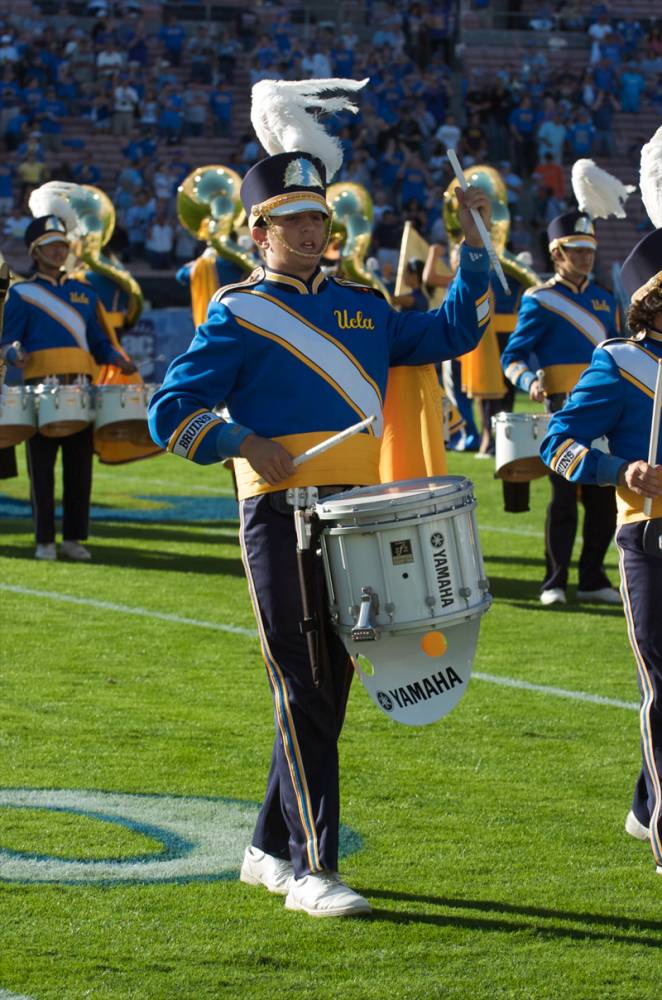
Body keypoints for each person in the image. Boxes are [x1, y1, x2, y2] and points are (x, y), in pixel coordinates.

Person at [148, 84, 492, 918]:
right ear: (258, 230)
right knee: (303, 681)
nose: (311, 232)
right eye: (293, 221)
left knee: (330, 682)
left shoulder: (364, 308)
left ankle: (268, 846)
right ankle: (311, 866)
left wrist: (472, 241)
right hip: (280, 512)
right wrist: (238, 443)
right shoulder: (238, 313)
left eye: (318, 221)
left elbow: (454, 330)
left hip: (357, 519)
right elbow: (169, 411)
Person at [540, 227, 662, 876]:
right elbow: (559, 446)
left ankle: (647, 805)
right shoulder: (620, 362)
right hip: (652, 536)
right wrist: (622, 471)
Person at [501, 210, 621, 605]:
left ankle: (592, 578)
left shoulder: (606, 297)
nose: (585, 257)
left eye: (589, 249)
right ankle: (554, 581)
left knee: (604, 499)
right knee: (564, 497)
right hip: (561, 411)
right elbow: (513, 357)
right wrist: (530, 381)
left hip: (605, 411)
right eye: (576, 250)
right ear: (557, 253)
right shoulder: (540, 299)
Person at [0, 215, 136, 560]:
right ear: (35, 252)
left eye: (62, 245)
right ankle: (44, 539)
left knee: (79, 468)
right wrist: (13, 351)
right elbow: (7, 339)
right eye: (51, 247)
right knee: (41, 469)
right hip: (40, 388)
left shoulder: (86, 294)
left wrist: (118, 359)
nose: (59, 252)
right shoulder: (21, 293)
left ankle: (74, 538)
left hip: (81, 387)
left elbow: (99, 343)